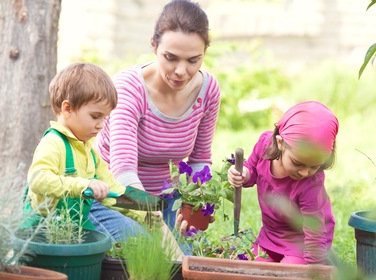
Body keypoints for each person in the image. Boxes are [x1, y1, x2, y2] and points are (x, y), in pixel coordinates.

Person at [90, 0, 221, 239]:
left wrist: (198, 202)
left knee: (186, 257)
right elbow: (123, 169)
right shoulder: (129, 87)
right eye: (171, 57)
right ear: (154, 45)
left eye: (193, 60)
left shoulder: (208, 90)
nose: (181, 71)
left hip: (166, 198)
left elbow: (200, 159)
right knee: (142, 243)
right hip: (114, 195)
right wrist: (155, 224)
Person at [23, 62, 146, 231]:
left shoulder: (89, 151)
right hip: (42, 229)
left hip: (71, 226)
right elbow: (38, 180)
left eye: (105, 118)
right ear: (68, 109)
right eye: (96, 116)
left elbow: (113, 188)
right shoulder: (53, 143)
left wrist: (144, 208)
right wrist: (82, 185)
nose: (101, 125)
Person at [228, 100, 339, 265]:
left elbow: (314, 231)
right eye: (297, 163)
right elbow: (252, 168)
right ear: (280, 143)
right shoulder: (264, 146)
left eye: (314, 166)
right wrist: (243, 174)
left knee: (288, 273)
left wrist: (314, 266)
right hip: (270, 237)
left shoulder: (311, 183)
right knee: (252, 268)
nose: (304, 172)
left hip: (303, 243)